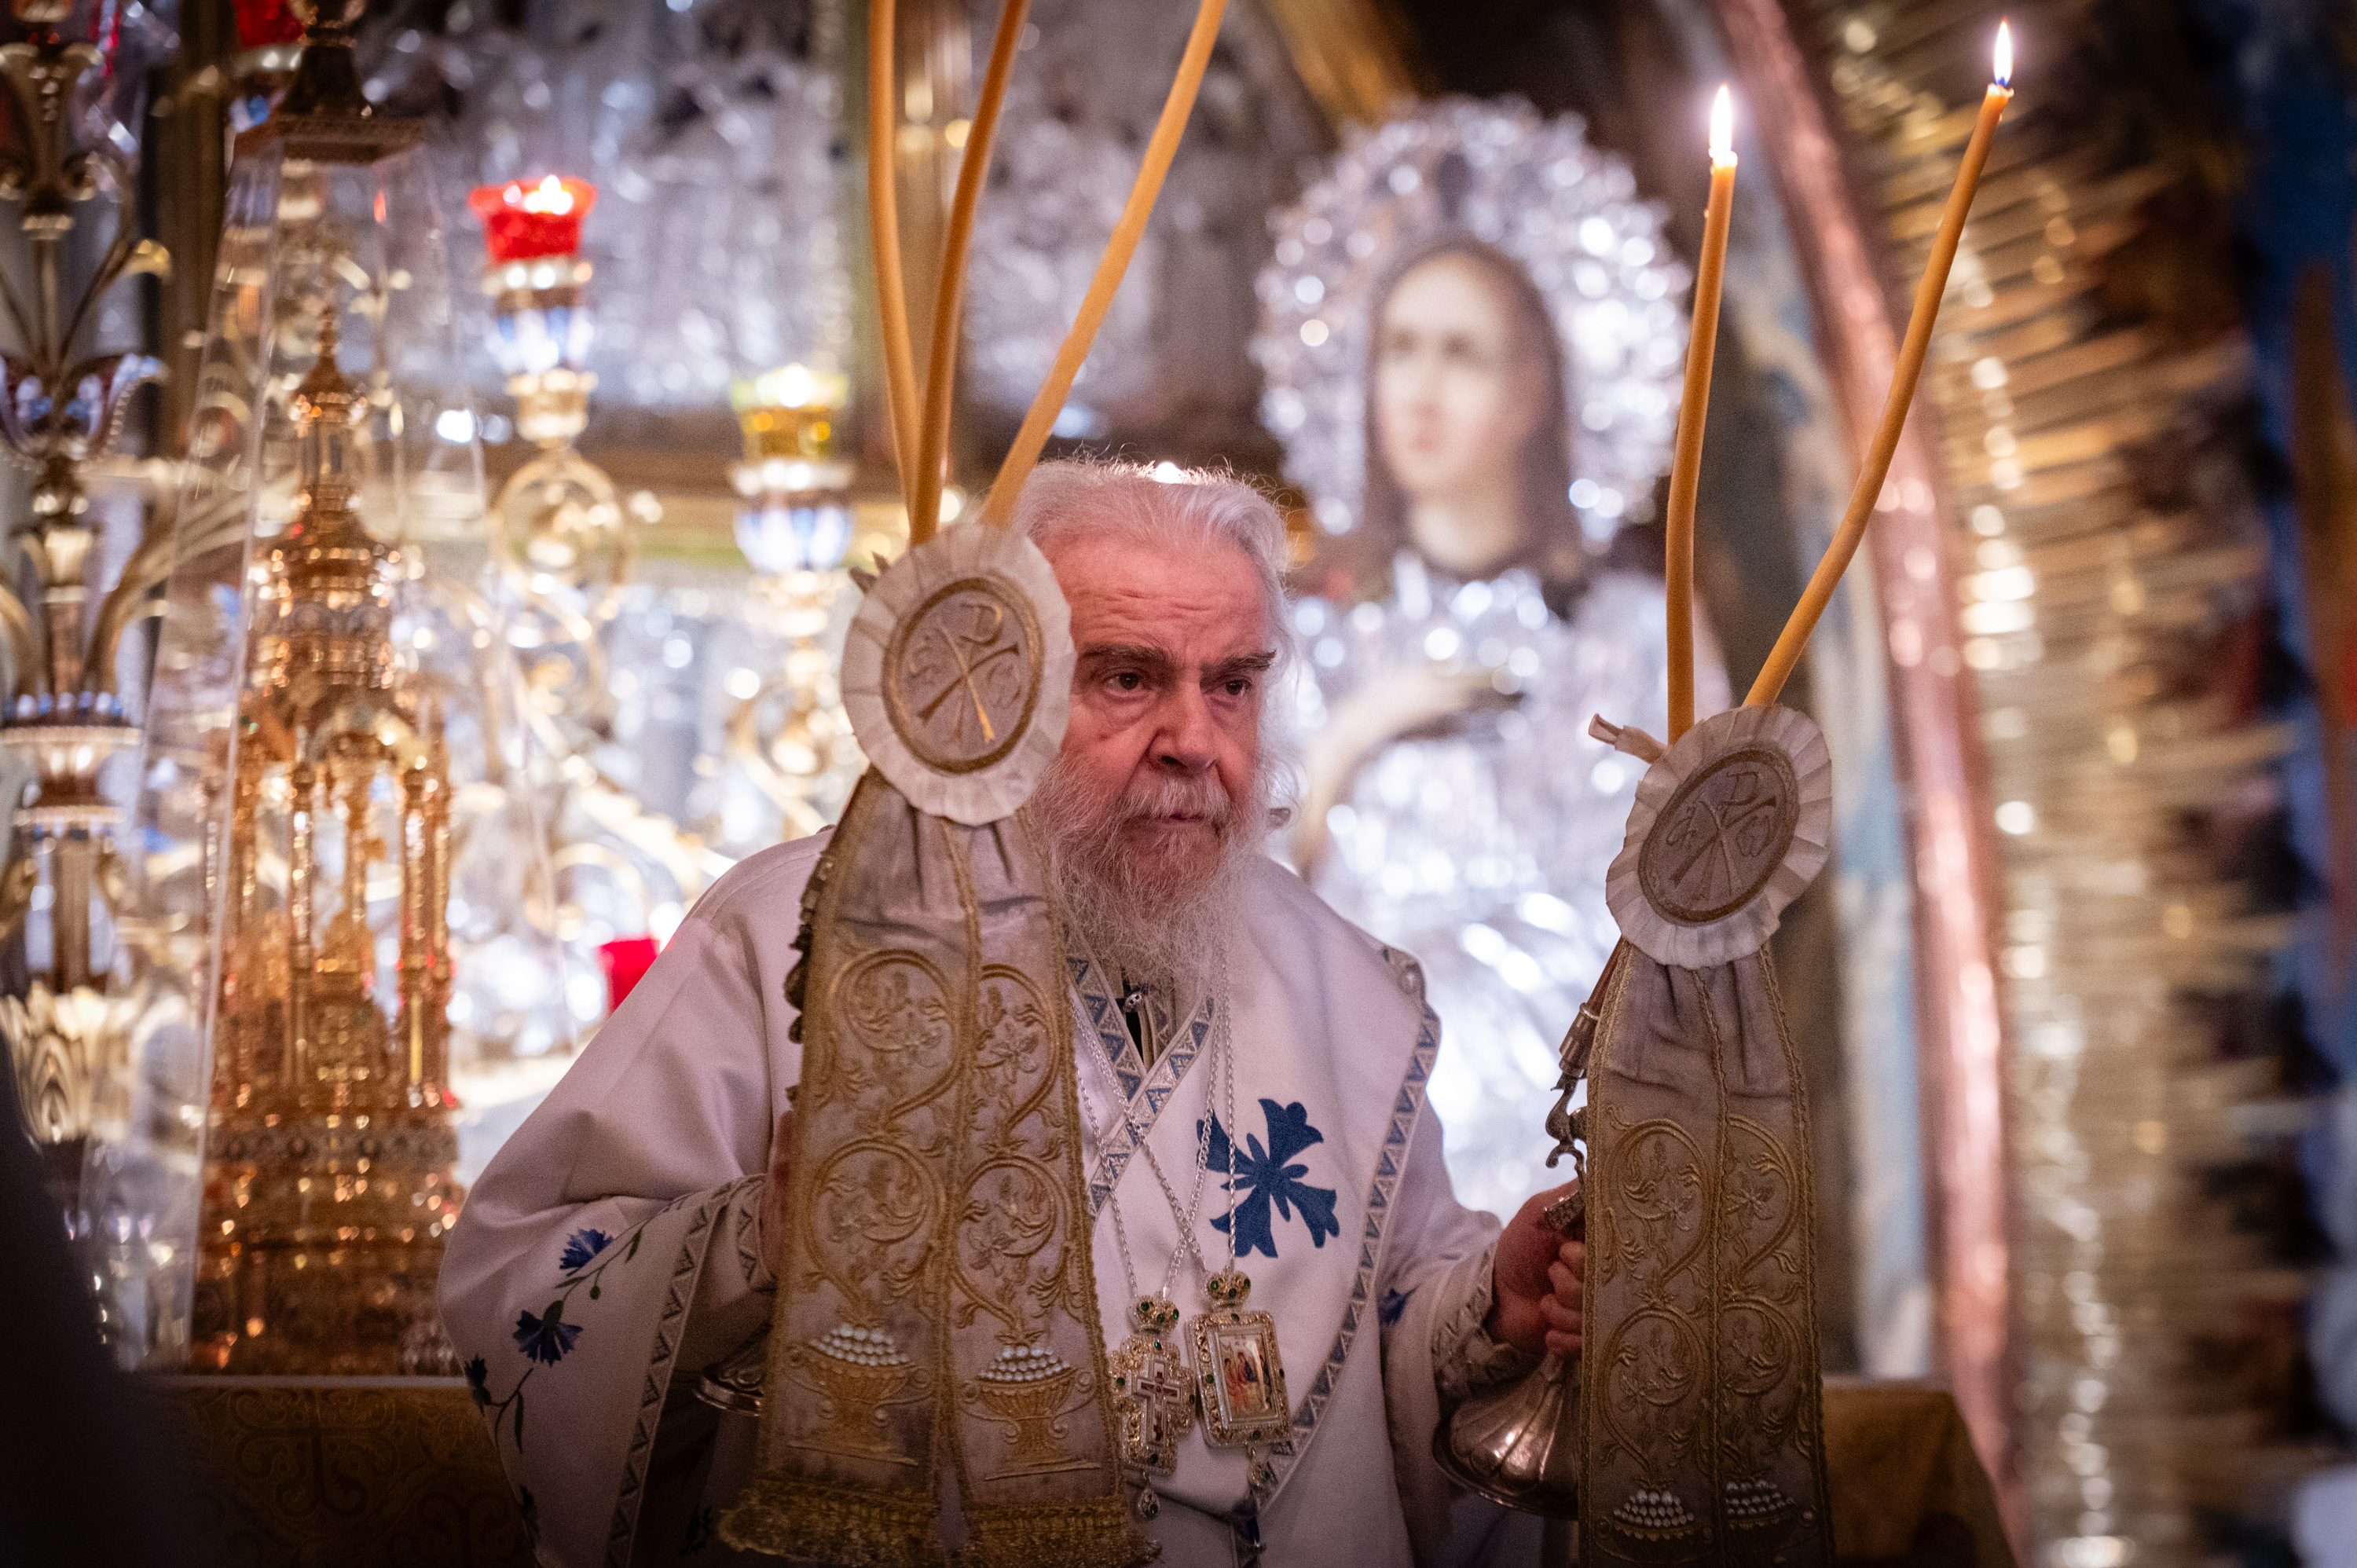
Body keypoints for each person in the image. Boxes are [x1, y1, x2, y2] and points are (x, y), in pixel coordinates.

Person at [442, 460, 1588, 1567]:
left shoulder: (1347, 994)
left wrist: (1492, 1306)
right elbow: (525, 1288)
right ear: (999, 684)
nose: (1195, 740)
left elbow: (1383, 1328)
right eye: (1128, 677)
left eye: (1232, 682)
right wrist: (761, 1243)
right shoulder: (808, 930)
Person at [1292, 236, 1726, 1219]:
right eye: (1399, 348)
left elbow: (1660, 910)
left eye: (1464, 353)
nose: (1421, 390)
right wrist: (1348, 739)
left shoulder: (1635, 635)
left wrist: (1406, 1028)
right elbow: (1238, 904)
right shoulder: (1307, 631)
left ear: (1533, 395)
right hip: (1329, 1143)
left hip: (1552, 1133)